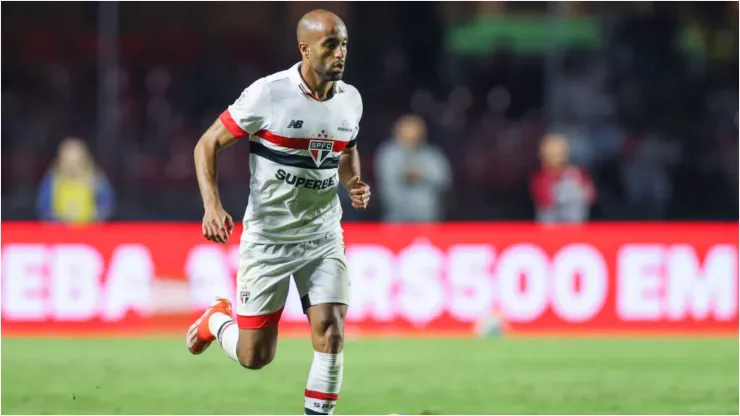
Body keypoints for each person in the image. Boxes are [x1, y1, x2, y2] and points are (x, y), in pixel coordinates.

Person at [188, 10, 370, 416]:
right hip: (269, 240)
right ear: (304, 49)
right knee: (256, 356)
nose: (340, 53)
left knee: (331, 331)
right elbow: (207, 144)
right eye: (330, 45)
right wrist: (212, 205)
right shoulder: (268, 94)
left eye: (343, 44)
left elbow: (348, 149)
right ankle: (216, 321)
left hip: (323, 235)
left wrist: (353, 182)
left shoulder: (351, 99)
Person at [374, 114, 452, 222]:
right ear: (398, 130)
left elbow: (444, 180)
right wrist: (405, 174)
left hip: (427, 219)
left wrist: (423, 174)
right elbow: (386, 184)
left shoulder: (432, 154)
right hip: (395, 218)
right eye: (407, 128)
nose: (411, 133)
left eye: (416, 128)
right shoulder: (388, 154)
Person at [36, 137, 115, 224]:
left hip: (90, 232)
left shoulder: (96, 180)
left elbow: (106, 207)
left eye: (76, 161)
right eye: (68, 161)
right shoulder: (52, 181)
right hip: (59, 233)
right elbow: (44, 209)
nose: (72, 166)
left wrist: (93, 221)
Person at [530, 134, 596, 223]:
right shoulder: (540, 179)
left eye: (557, 154)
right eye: (549, 155)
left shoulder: (577, 174)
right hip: (550, 230)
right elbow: (544, 200)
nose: (554, 159)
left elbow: (591, 197)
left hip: (577, 230)